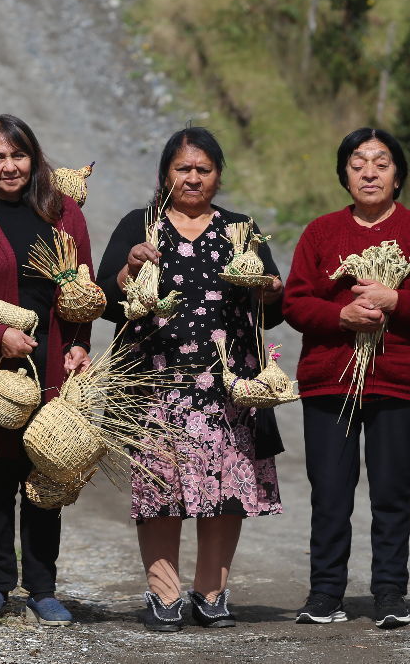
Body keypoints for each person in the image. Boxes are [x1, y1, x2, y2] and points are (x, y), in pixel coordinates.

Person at [96, 126, 285, 632]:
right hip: (156, 383)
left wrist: (268, 290)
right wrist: (129, 269)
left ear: (218, 176)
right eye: (183, 168)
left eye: (204, 169)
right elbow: (104, 299)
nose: (194, 177)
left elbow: (274, 304)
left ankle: (211, 593)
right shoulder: (140, 225)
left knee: (224, 491)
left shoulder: (240, 228)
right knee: (161, 491)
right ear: (165, 175)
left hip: (227, 385)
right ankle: (164, 595)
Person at [282, 128, 410, 628]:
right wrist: (343, 318)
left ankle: (389, 594)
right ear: (344, 174)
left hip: (397, 381)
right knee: (330, 492)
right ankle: (325, 594)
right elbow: (295, 302)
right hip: (329, 381)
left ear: (398, 175)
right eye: (357, 163)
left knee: (390, 492)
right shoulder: (320, 232)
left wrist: (394, 300)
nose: (369, 172)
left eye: (381, 163)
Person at [0, 114, 92, 626]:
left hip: (52, 363)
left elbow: (83, 296)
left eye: (19, 155)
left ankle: (43, 588)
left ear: (35, 158)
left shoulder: (65, 215)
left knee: (46, 471)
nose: (10, 166)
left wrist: (78, 345)